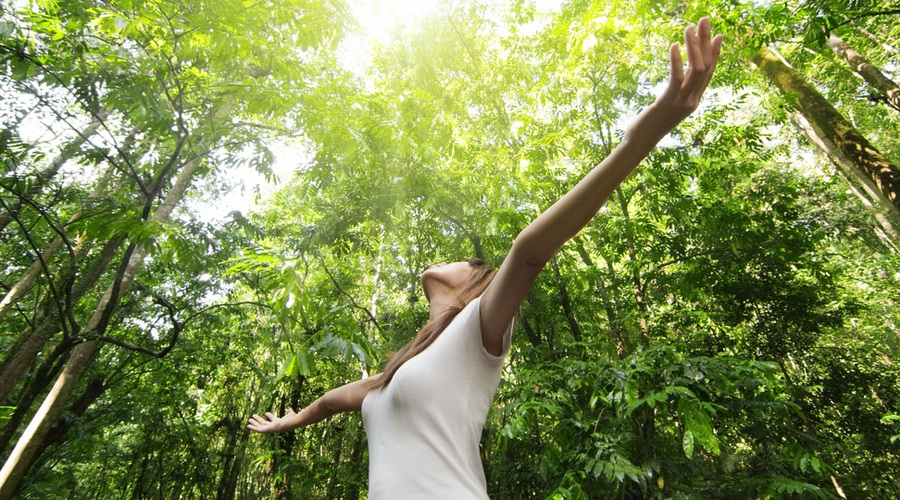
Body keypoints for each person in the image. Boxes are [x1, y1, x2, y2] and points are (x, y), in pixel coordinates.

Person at [248, 17, 724, 499]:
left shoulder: (478, 328)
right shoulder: (397, 372)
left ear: (474, 283)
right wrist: (292, 420)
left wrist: (637, 140)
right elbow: (335, 401)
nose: (445, 259)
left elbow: (527, 253)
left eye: (461, 260)